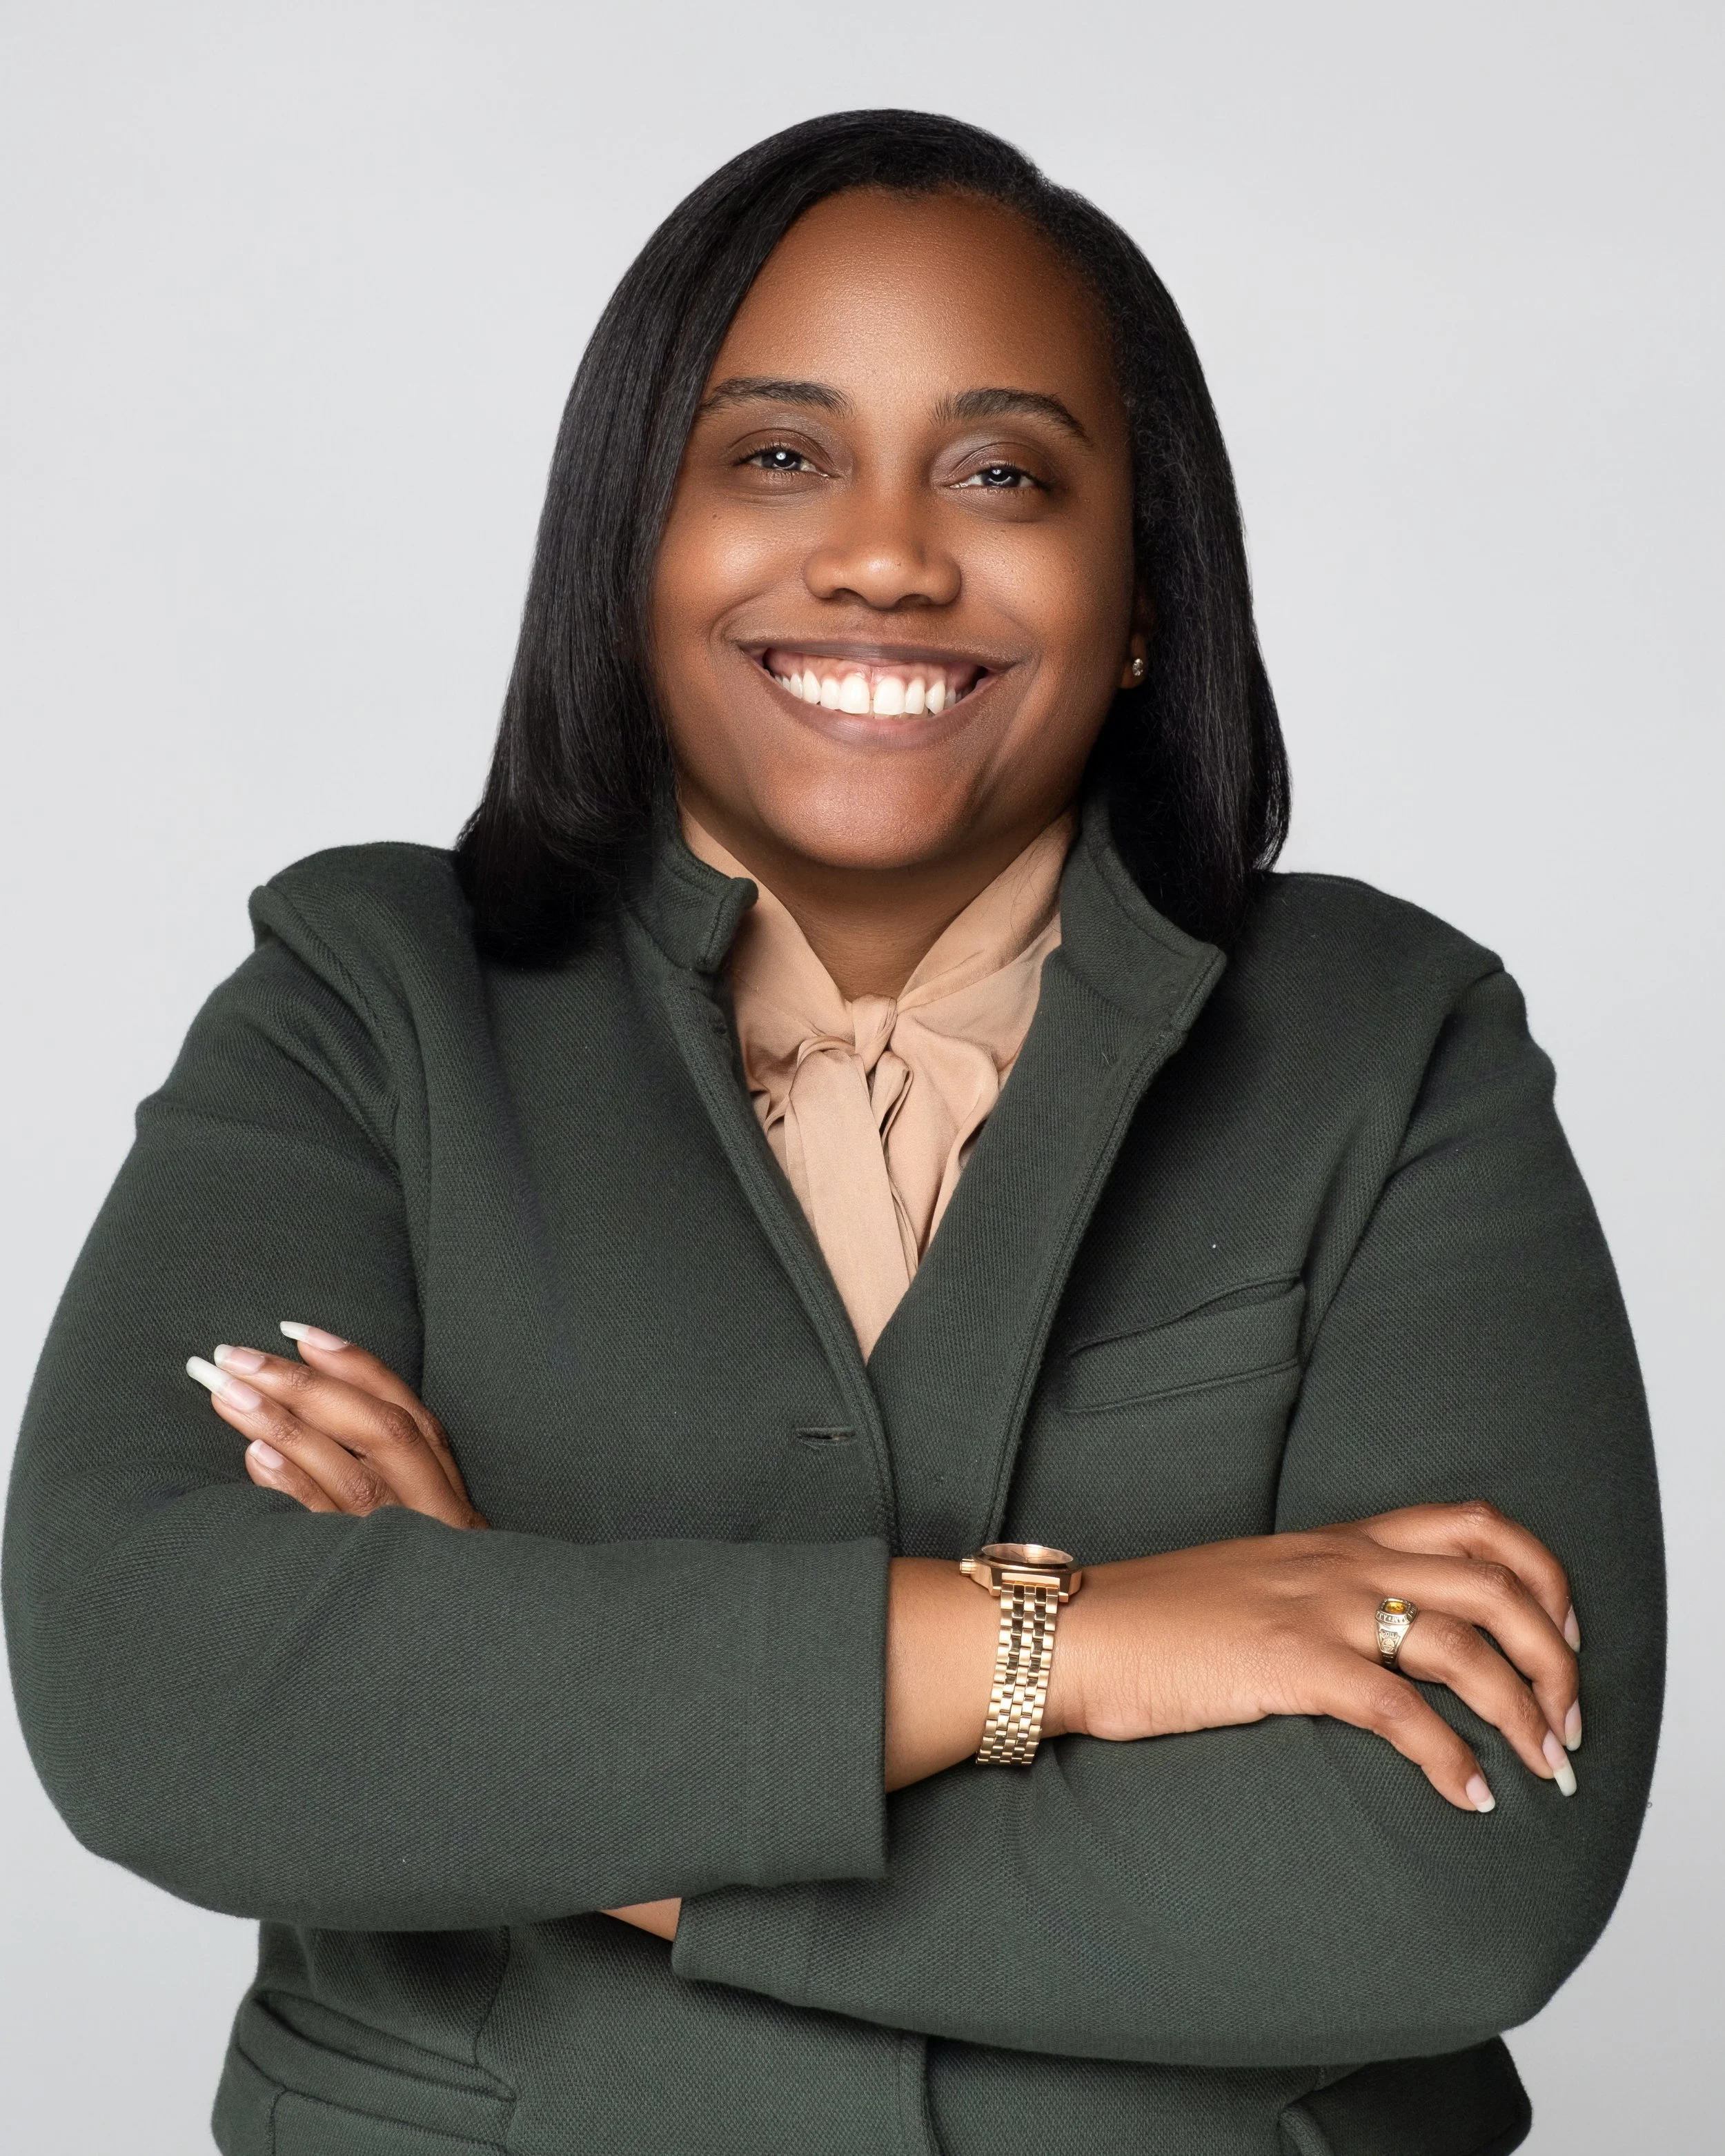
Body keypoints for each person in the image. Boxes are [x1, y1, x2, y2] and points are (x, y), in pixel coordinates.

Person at [4, 110, 1662, 2156]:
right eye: (778, 456)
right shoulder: (365, 1002)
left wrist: (537, 1736)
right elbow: (162, 1686)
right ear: (632, 544)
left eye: (1004, 473)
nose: (886, 555)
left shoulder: (1392, 1043)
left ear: (1144, 588)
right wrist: (1074, 1647)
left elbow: (1443, 1889)